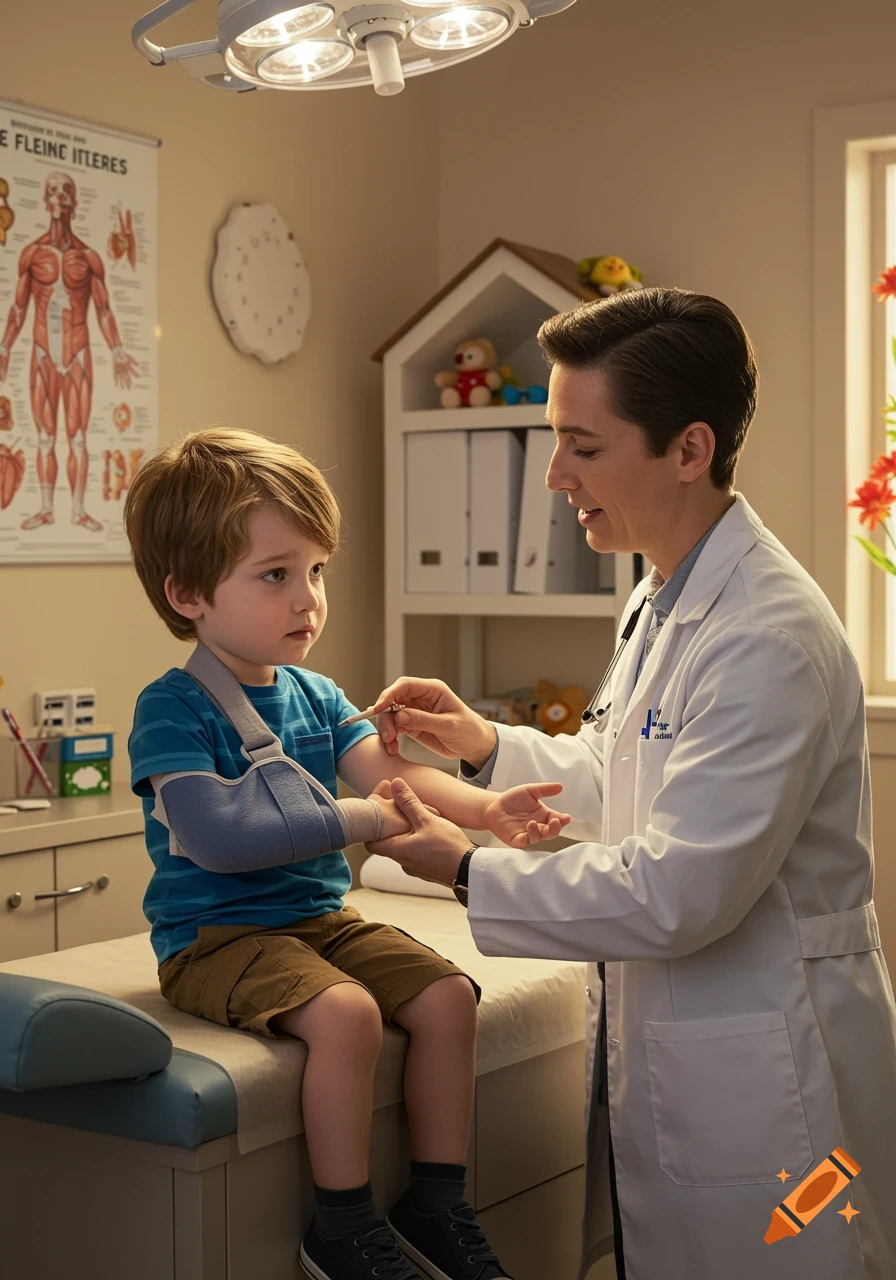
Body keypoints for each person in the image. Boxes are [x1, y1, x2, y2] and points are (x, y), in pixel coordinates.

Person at [367, 289, 896, 1280]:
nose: (554, 476)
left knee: (794, 1252)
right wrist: (485, 744)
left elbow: (674, 890)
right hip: (691, 1056)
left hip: (778, 1085)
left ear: (687, 449)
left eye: (583, 445)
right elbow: (634, 771)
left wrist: (466, 869)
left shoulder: (765, 635)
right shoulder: (663, 591)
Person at [123, 428, 571, 1280]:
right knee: (348, 1015)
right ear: (187, 594)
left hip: (315, 921)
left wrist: (488, 807)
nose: (308, 599)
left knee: (445, 997)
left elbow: (392, 776)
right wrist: (365, 822)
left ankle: (437, 1204)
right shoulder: (173, 709)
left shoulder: (317, 694)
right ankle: (343, 1227)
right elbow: (221, 840)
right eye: (275, 575)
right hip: (214, 939)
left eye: (317, 571)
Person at [0, 171, 138, 533]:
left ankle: (77, 510)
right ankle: (46, 508)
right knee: (46, 437)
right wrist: (4, 348)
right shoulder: (32, 254)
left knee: (77, 437)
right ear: (46, 200)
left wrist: (119, 351)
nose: (59, 196)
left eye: (66, 191)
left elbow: (104, 310)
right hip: (44, 354)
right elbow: (18, 309)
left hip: (77, 355)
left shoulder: (89, 258)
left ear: (74, 202)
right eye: (53, 191)